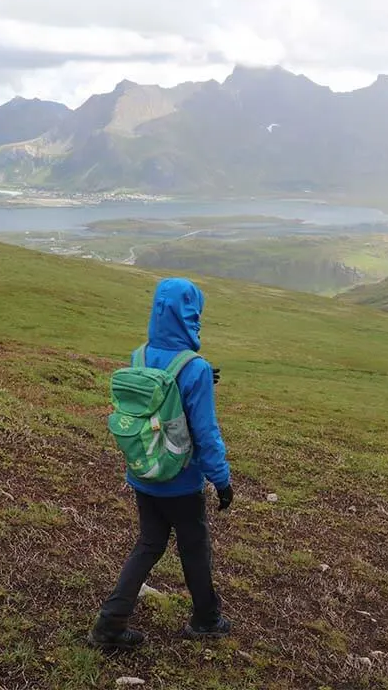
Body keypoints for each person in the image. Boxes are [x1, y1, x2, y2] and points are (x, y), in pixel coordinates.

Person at [88, 277, 234, 648]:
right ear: (189, 315)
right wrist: (221, 479)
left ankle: (109, 624)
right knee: (194, 547)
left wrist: (202, 376)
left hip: (144, 472)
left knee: (149, 543)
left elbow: (155, 397)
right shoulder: (194, 368)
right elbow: (205, 431)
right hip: (181, 480)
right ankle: (206, 618)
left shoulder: (140, 354)